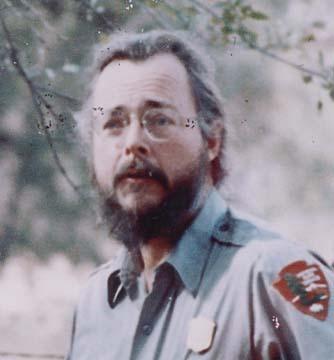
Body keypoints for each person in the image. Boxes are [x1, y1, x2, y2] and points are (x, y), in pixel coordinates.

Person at [67, 30, 334, 360]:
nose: (133, 142)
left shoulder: (272, 277)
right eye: (114, 123)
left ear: (211, 141)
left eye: (159, 120)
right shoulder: (96, 301)